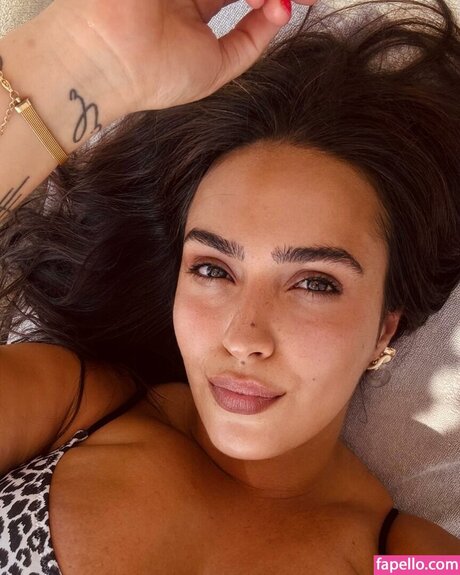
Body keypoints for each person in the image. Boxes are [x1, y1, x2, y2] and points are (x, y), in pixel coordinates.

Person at [0, 0, 459, 572]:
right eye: (213, 269)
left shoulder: (407, 558)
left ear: (385, 329)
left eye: (315, 283)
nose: (244, 338)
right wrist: (70, 61)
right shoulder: (69, 408)